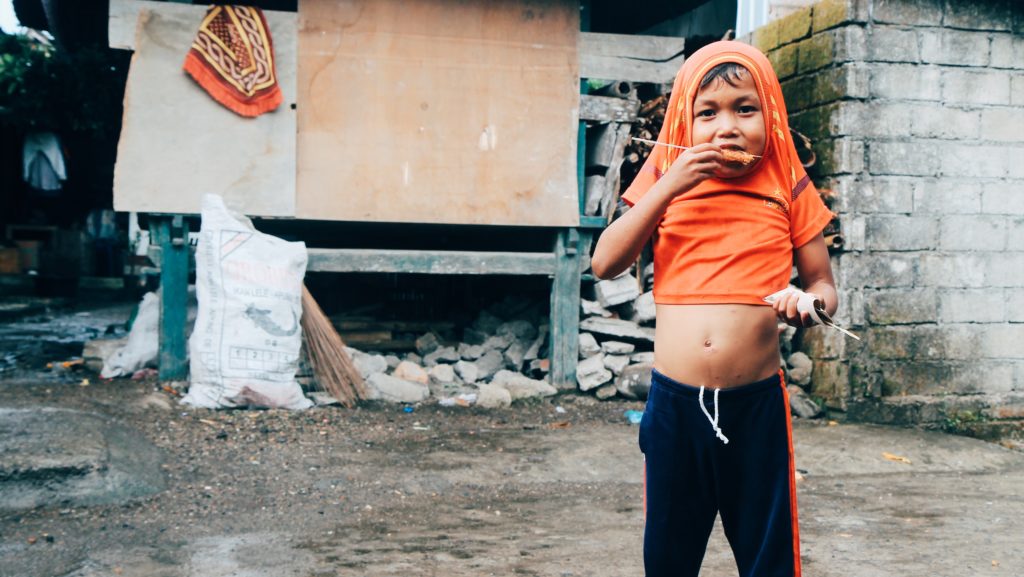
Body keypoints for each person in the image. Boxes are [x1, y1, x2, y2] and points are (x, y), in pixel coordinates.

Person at [590, 41, 838, 577]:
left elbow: (821, 283)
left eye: (744, 109)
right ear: (684, 121)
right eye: (708, 113)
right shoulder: (666, 182)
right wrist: (672, 181)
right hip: (676, 406)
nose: (727, 126)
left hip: (757, 408)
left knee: (767, 554)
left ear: (770, 113)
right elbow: (605, 263)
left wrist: (809, 305)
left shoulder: (787, 184)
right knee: (669, 556)